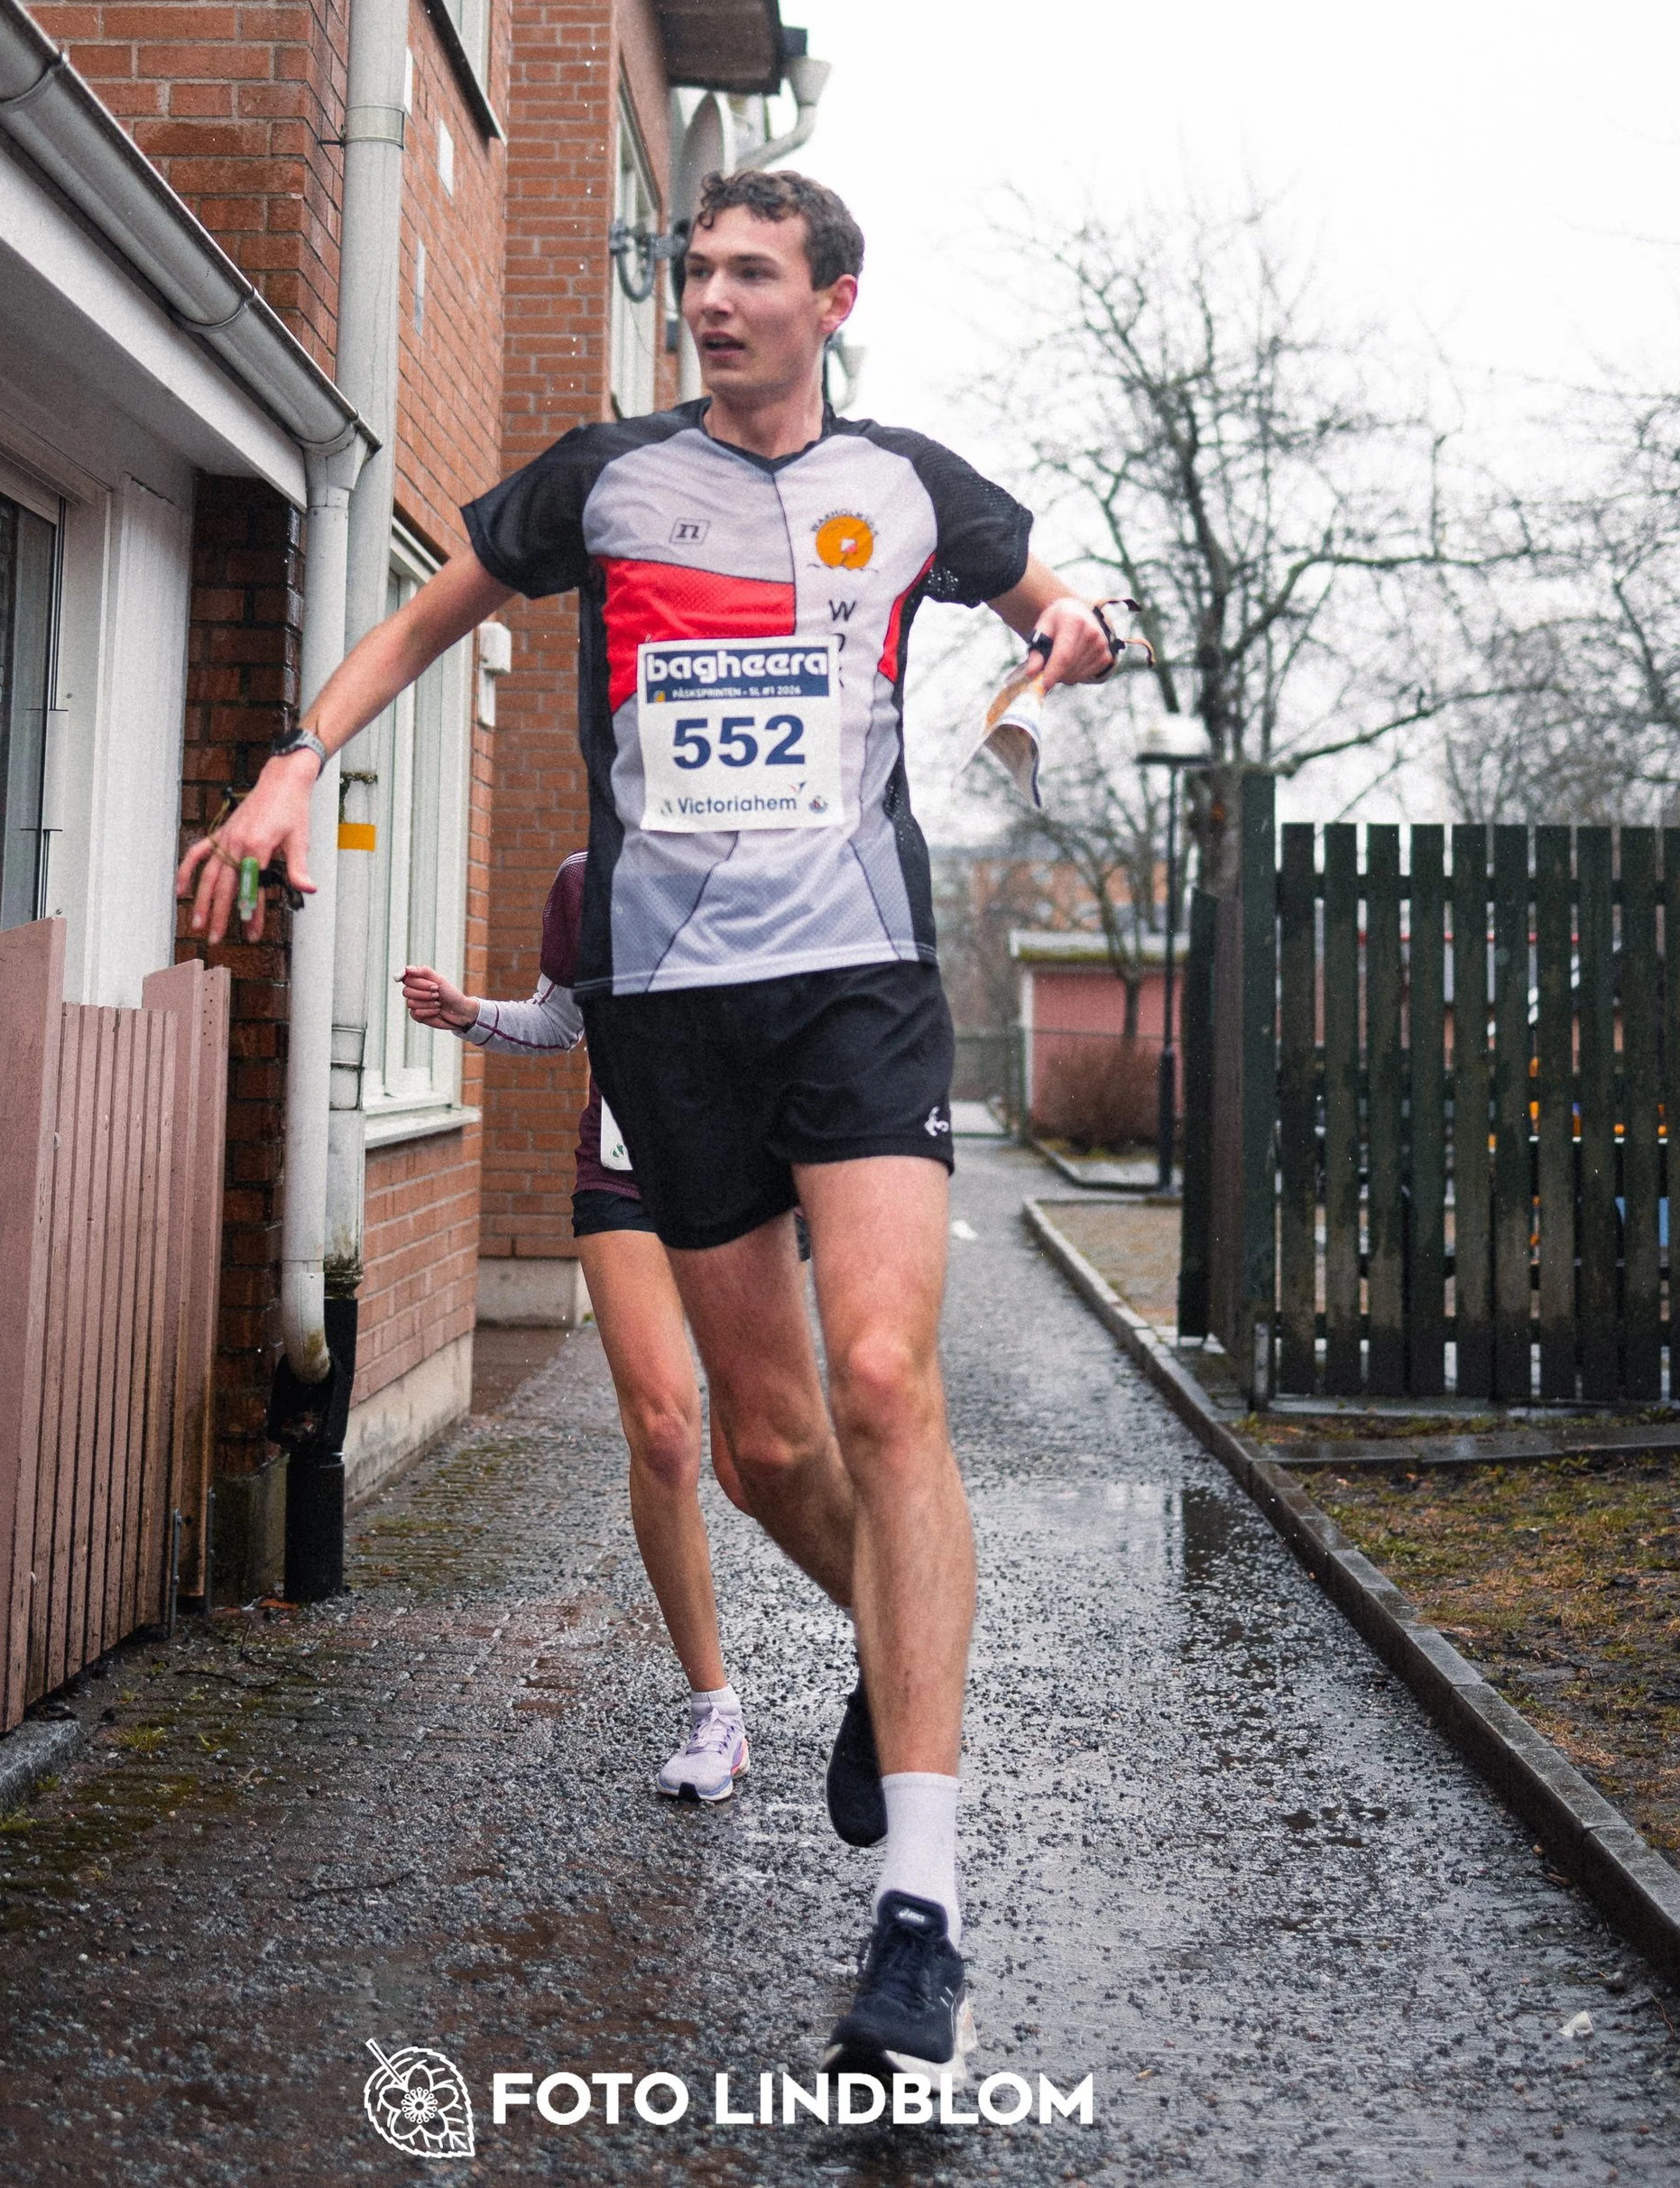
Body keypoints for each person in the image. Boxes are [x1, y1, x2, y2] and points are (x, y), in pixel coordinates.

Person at [178, 168, 1124, 2091]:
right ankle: (889, 1641)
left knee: (880, 1372)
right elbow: (431, 613)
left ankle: (918, 1917)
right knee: (763, 1435)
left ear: (831, 297)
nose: (707, 297)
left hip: (856, 978)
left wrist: (1066, 633)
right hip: (666, 1002)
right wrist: (293, 762)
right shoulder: (604, 479)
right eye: (691, 268)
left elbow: (1052, 607)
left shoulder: (913, 484)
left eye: (747, 272)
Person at [399, 848, 771, 1807]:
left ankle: (885, 1646)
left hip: (745, 1182)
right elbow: (562, 1021)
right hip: (621, 1174)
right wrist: (469, 1012)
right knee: (662, 1432)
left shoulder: (775, 863)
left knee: (759, 1459)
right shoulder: (581, 878)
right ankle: (713, 1706)